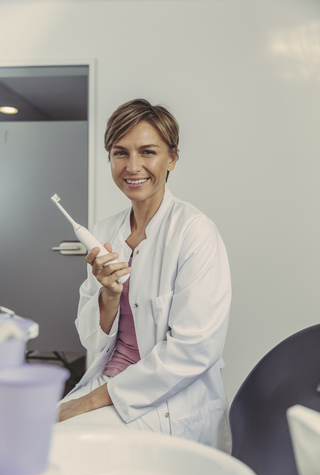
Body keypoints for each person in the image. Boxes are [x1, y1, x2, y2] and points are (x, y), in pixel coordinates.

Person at [58, 98, 232, 452]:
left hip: (167, 404)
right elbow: (91, 341)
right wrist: (108, 295)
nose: (132, 166)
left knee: (59, 447)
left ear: (172, 158)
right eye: (120, 153)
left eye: (147, 152)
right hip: (108, 382)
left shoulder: (194, 232)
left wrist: (87, 403)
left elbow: (193, 352)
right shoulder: (105, 231)